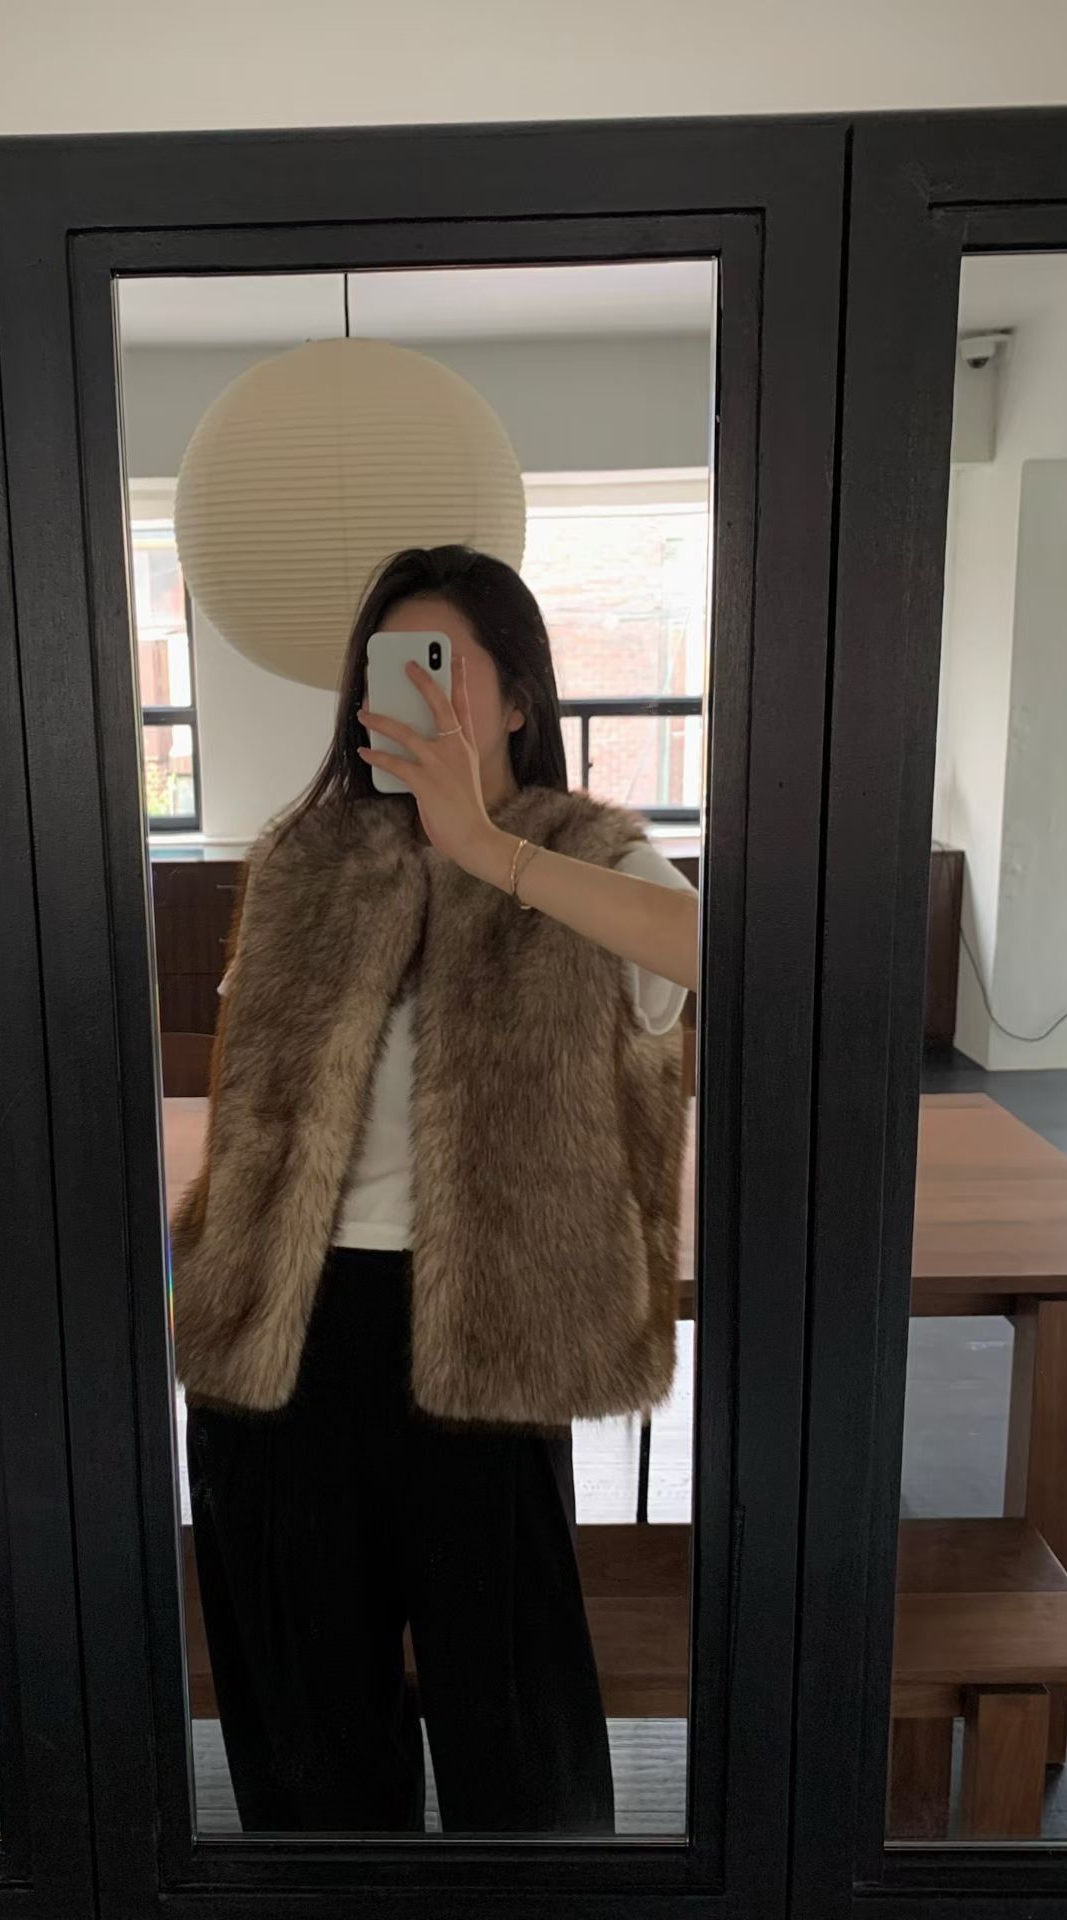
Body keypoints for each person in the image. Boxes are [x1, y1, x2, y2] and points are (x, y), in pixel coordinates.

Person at [173, 545, 697, 1836]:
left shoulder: (592, 858)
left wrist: (482, 848)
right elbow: (251, 1103)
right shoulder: (310, 859)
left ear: (518, 700)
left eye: (443, 669)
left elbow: (723, 953)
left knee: (519, 1750)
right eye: (390, 670)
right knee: (309, 1751)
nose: (409, 697)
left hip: (487, 1347)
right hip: (284, 1345)